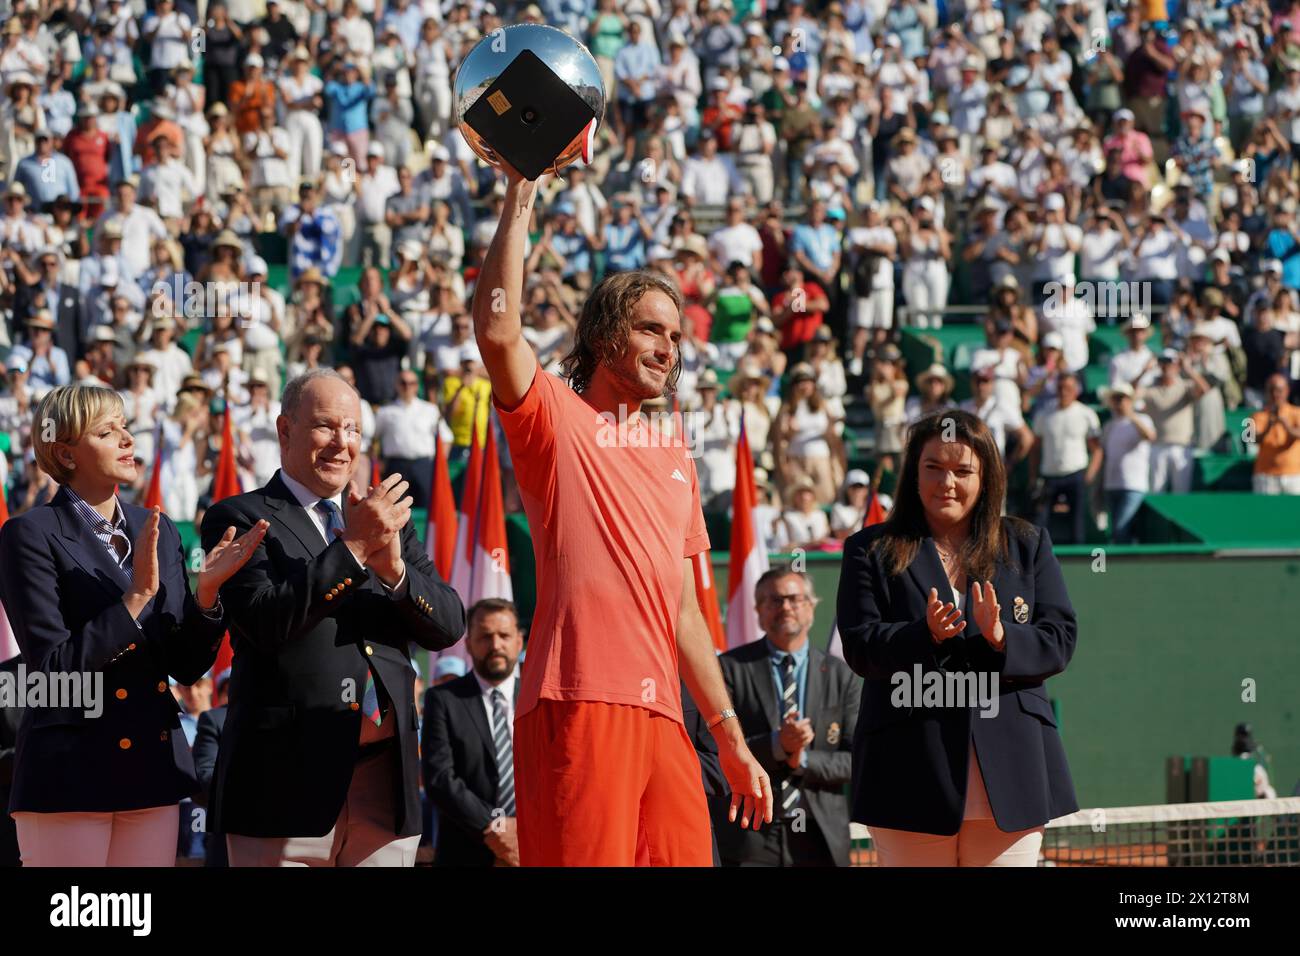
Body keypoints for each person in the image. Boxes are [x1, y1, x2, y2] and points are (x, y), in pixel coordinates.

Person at [471, 161, 771, 867]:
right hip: (576, 698)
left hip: (665, 717)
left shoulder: (677, 458)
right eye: (650, 330)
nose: (668, 348)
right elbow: (497, 332)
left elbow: (686, 614)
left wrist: (730, 737)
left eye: (675, 336)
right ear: (607, 335)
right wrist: (520, 193)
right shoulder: (556, 418)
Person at [198, 369, 466, 866]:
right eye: (325, 426)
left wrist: (397, 575)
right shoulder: (238, 517)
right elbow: (265, 624)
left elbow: (449, 626)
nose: (342, 444)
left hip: (384, 788)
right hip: (283, 787)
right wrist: (356, 547)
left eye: (354, 430)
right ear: (284, 431)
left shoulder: (383, 519)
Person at [0, 384, 267, 866]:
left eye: (125, 426)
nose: (127, 438)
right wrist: (135, 598)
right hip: (69, 772)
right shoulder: (28, 534)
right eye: (107, 431)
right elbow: (52, 669)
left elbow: (185, 667)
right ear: (65, 452)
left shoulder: (157, 528)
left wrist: (207, 595)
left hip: (152, 767)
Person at [836, 410, 1078, 866]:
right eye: (934, 468)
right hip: (907, 772)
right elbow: (860, 645)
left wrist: (1003, 636)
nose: (947, 483)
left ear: (986, 478)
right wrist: (921, 634)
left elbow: (1060, 638)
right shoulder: (869, 549)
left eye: (963, 471)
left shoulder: (1027, 543)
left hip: (1013, 771)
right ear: (913, 473)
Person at [711, 566, 860, 866]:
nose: (786, 607)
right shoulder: (726, 670)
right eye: (774, 600)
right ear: (758, 611)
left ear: (811, 606)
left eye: (794, 599)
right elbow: (714, 750)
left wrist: (802, 760)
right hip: (748, 834)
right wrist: (778, 744)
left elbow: (859, 757)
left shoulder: (842, 675)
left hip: (820, 836)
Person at [422, 598, 524, 867]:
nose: (496, 645)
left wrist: (524, 830)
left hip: (533, 845)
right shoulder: (443, 700)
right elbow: (440, 778)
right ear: (468, 644)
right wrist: (497, 829)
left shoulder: (540, 698)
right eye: (485, 636)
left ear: (519, 641)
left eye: (504, 635)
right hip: (467, 849)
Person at [1098, 383, 1156, 544]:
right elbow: (1104, 455)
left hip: (1134, 485)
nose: (1118, 402)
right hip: (1112, 485)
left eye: (1122, 398)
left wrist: (1131, 415)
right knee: (1117, 530)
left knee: (1121, 528)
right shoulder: (1109, 425)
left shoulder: (1143, 419)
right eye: (1115, 398)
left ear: (1130, 400)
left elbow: (1150, 436)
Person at [1248, 373, 1300, 495]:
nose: (1275, 395)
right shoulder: (1254, 416)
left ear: (1287, 391)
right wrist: (1268, 427)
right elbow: (1249, 439)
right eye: (1271, 390)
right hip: (1265, 475)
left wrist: (1286, 425)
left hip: (1294, 474)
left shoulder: (1297, 412)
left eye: (1279, 390)